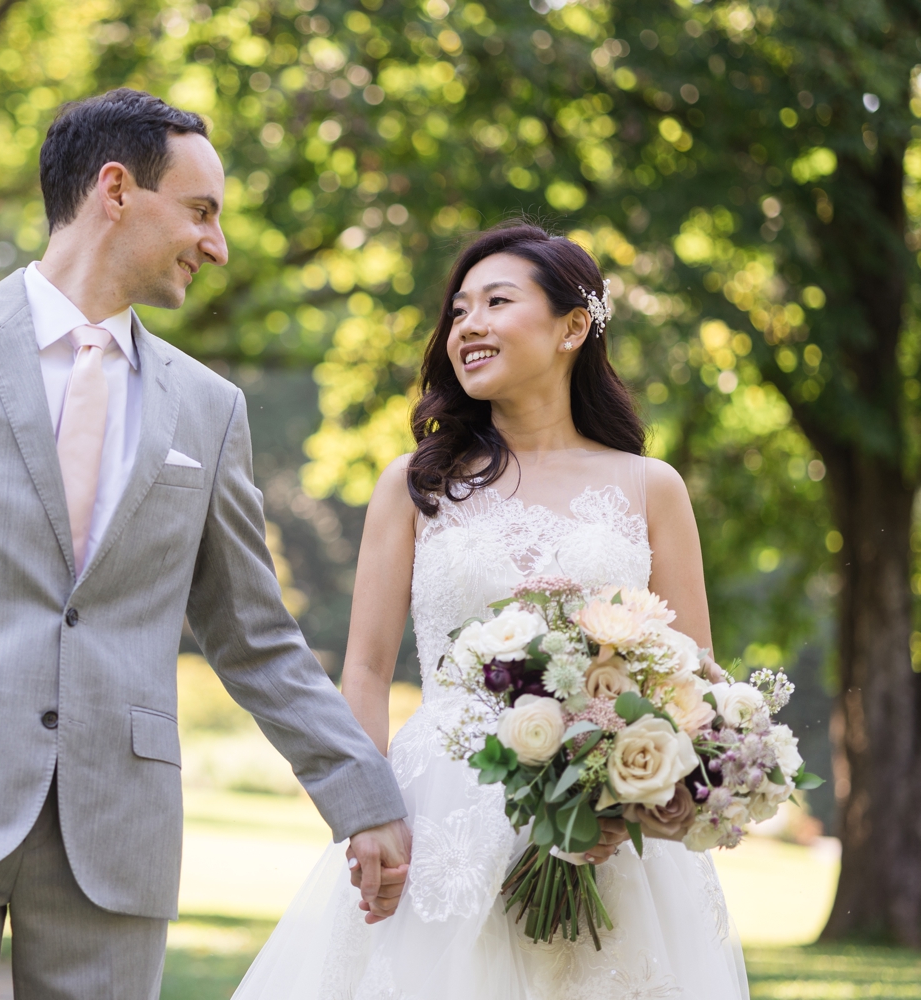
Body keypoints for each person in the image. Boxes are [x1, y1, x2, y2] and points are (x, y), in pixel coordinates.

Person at [0, 88, 411, 1000]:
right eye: (201, 212)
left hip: (119, 832)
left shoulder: (210, 408)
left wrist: (363, 797)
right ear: (116, 190)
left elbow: (255, 638)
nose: (217, 244)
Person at [233, 223, 749, 999]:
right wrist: (363, 816)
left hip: (610, 828)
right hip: (441, 811)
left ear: (574, 326)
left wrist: (630, 803)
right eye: (459, 310)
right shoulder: (415, 485)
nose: (467, 324)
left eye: (496, 302)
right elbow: (367, 671)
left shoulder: (652, 486)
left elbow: (693, 682)